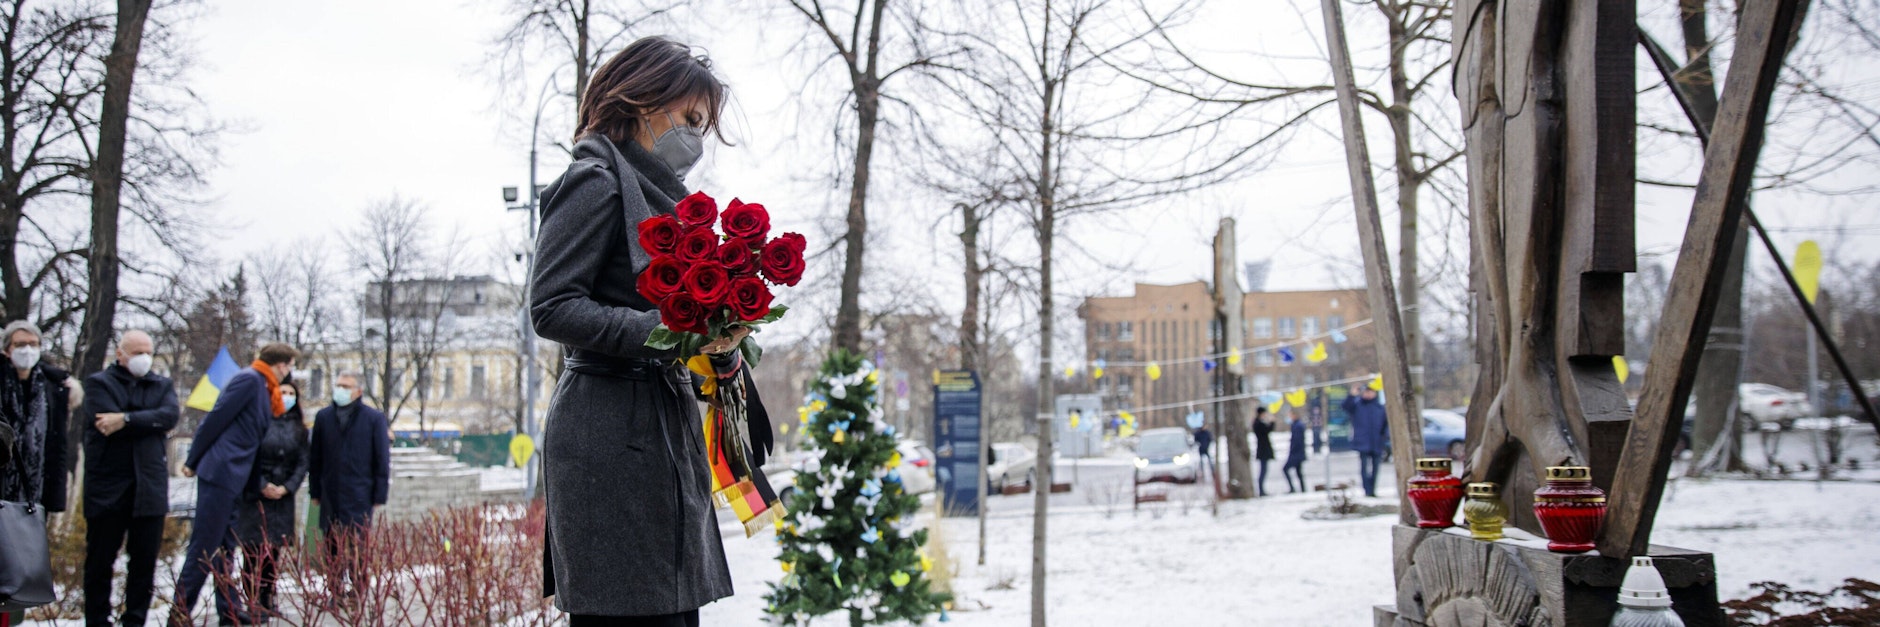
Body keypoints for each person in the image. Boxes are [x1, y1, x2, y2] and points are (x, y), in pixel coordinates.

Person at [531, 35, 743, 626]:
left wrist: (722, 343)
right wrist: (669, 335)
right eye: (691, 117)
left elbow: (677, 326)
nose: (697, 136)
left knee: (672, 611)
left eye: (706, 123)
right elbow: (551, 305)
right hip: (607, 429)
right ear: (644, 99)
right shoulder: (595, 181)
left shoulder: (661, 200)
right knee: (629, 612)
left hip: (660, 423)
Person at [172, 342, 298, 627]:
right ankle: (179, 613)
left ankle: (229, 611)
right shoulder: (249, 380)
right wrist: (193, 459)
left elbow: (252, 442)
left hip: (235, 478)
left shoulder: (263, 388)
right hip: (220, 473)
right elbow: (216, 418)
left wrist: (255, 484)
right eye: (289, 366)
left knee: (226, 549)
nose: (289, 373)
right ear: (281, 365)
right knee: (205, 546)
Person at [81, 330, 179, 627]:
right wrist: (148, 419)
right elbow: (103, 420)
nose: (144, 358)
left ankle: (134, 621)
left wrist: (124, 419)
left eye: (148, 351)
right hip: (108, 488)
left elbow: (169, 416)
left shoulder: (162, 385)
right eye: (137, 352)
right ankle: (97, 621)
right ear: (120, 353)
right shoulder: (99, 384)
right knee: (100, 562)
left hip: (148, 489)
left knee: (144, 564)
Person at [1, 320, 71, 627]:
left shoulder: (54, 387)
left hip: (32, 494)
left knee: (21, 574)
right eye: (20, 344)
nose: (27, 350)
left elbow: (58, 446)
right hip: (1, 486)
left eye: (33, 344)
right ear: (6, 350)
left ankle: (12, 622)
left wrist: (54, 500)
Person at [307, 373, 389, 603]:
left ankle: (358, 591)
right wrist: (315, 492)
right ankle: (335, 591)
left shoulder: (373, 418)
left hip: (359, 493)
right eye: (339, 385)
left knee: (357, 546)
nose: (340, 390)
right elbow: (315, 458)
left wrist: (379, 494)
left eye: (346, 386)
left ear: (358, 391)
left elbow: (381, 458)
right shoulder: (324, 417)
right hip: (331, 492)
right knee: (332, 546)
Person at [235, 379, 309, 618]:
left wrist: (287, 487)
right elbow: (249, 456)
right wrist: (262, 485)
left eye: (290, 393)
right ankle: (250, 600)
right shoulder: (259, 422)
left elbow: (302, 462)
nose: (286, 396)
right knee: (252, 551)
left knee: (272, 552)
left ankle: (268, 598)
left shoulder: (300, 428)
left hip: (282, 497)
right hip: (256, 495)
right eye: (282, 392)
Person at [1343, 386, 1389, 498]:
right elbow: (1346, 406)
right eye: (1366, 392)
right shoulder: (1358, 405)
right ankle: (1367, 490)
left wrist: (1384, 437)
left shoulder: (1379, 407)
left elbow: (1385, 425)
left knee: (1375, 468)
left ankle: (1372, 489)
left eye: (1370, 392)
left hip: (1376, 442)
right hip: (1362, 441)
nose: (1368, 394)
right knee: (1364, 468)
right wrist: (1351, 395)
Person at [1252, 406, 1275, 496]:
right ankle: (1261, 490)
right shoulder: (1258, 423)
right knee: (1263, 470)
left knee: (1264, 470)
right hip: (1263, 450)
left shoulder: (1258, 422)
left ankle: (1261, 489)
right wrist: (1272, 422)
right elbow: (1267, 430)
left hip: (1263, 449)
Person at [1283, 412, 1308, 493]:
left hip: (1296, 453)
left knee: (1286, 469)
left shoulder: (1298, 426)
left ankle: (1293, 488)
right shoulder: (1297, 425)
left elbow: (1297, 441)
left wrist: (1293, 451)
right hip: (1299, 453)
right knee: (1299, 472)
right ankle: (1302, 489)